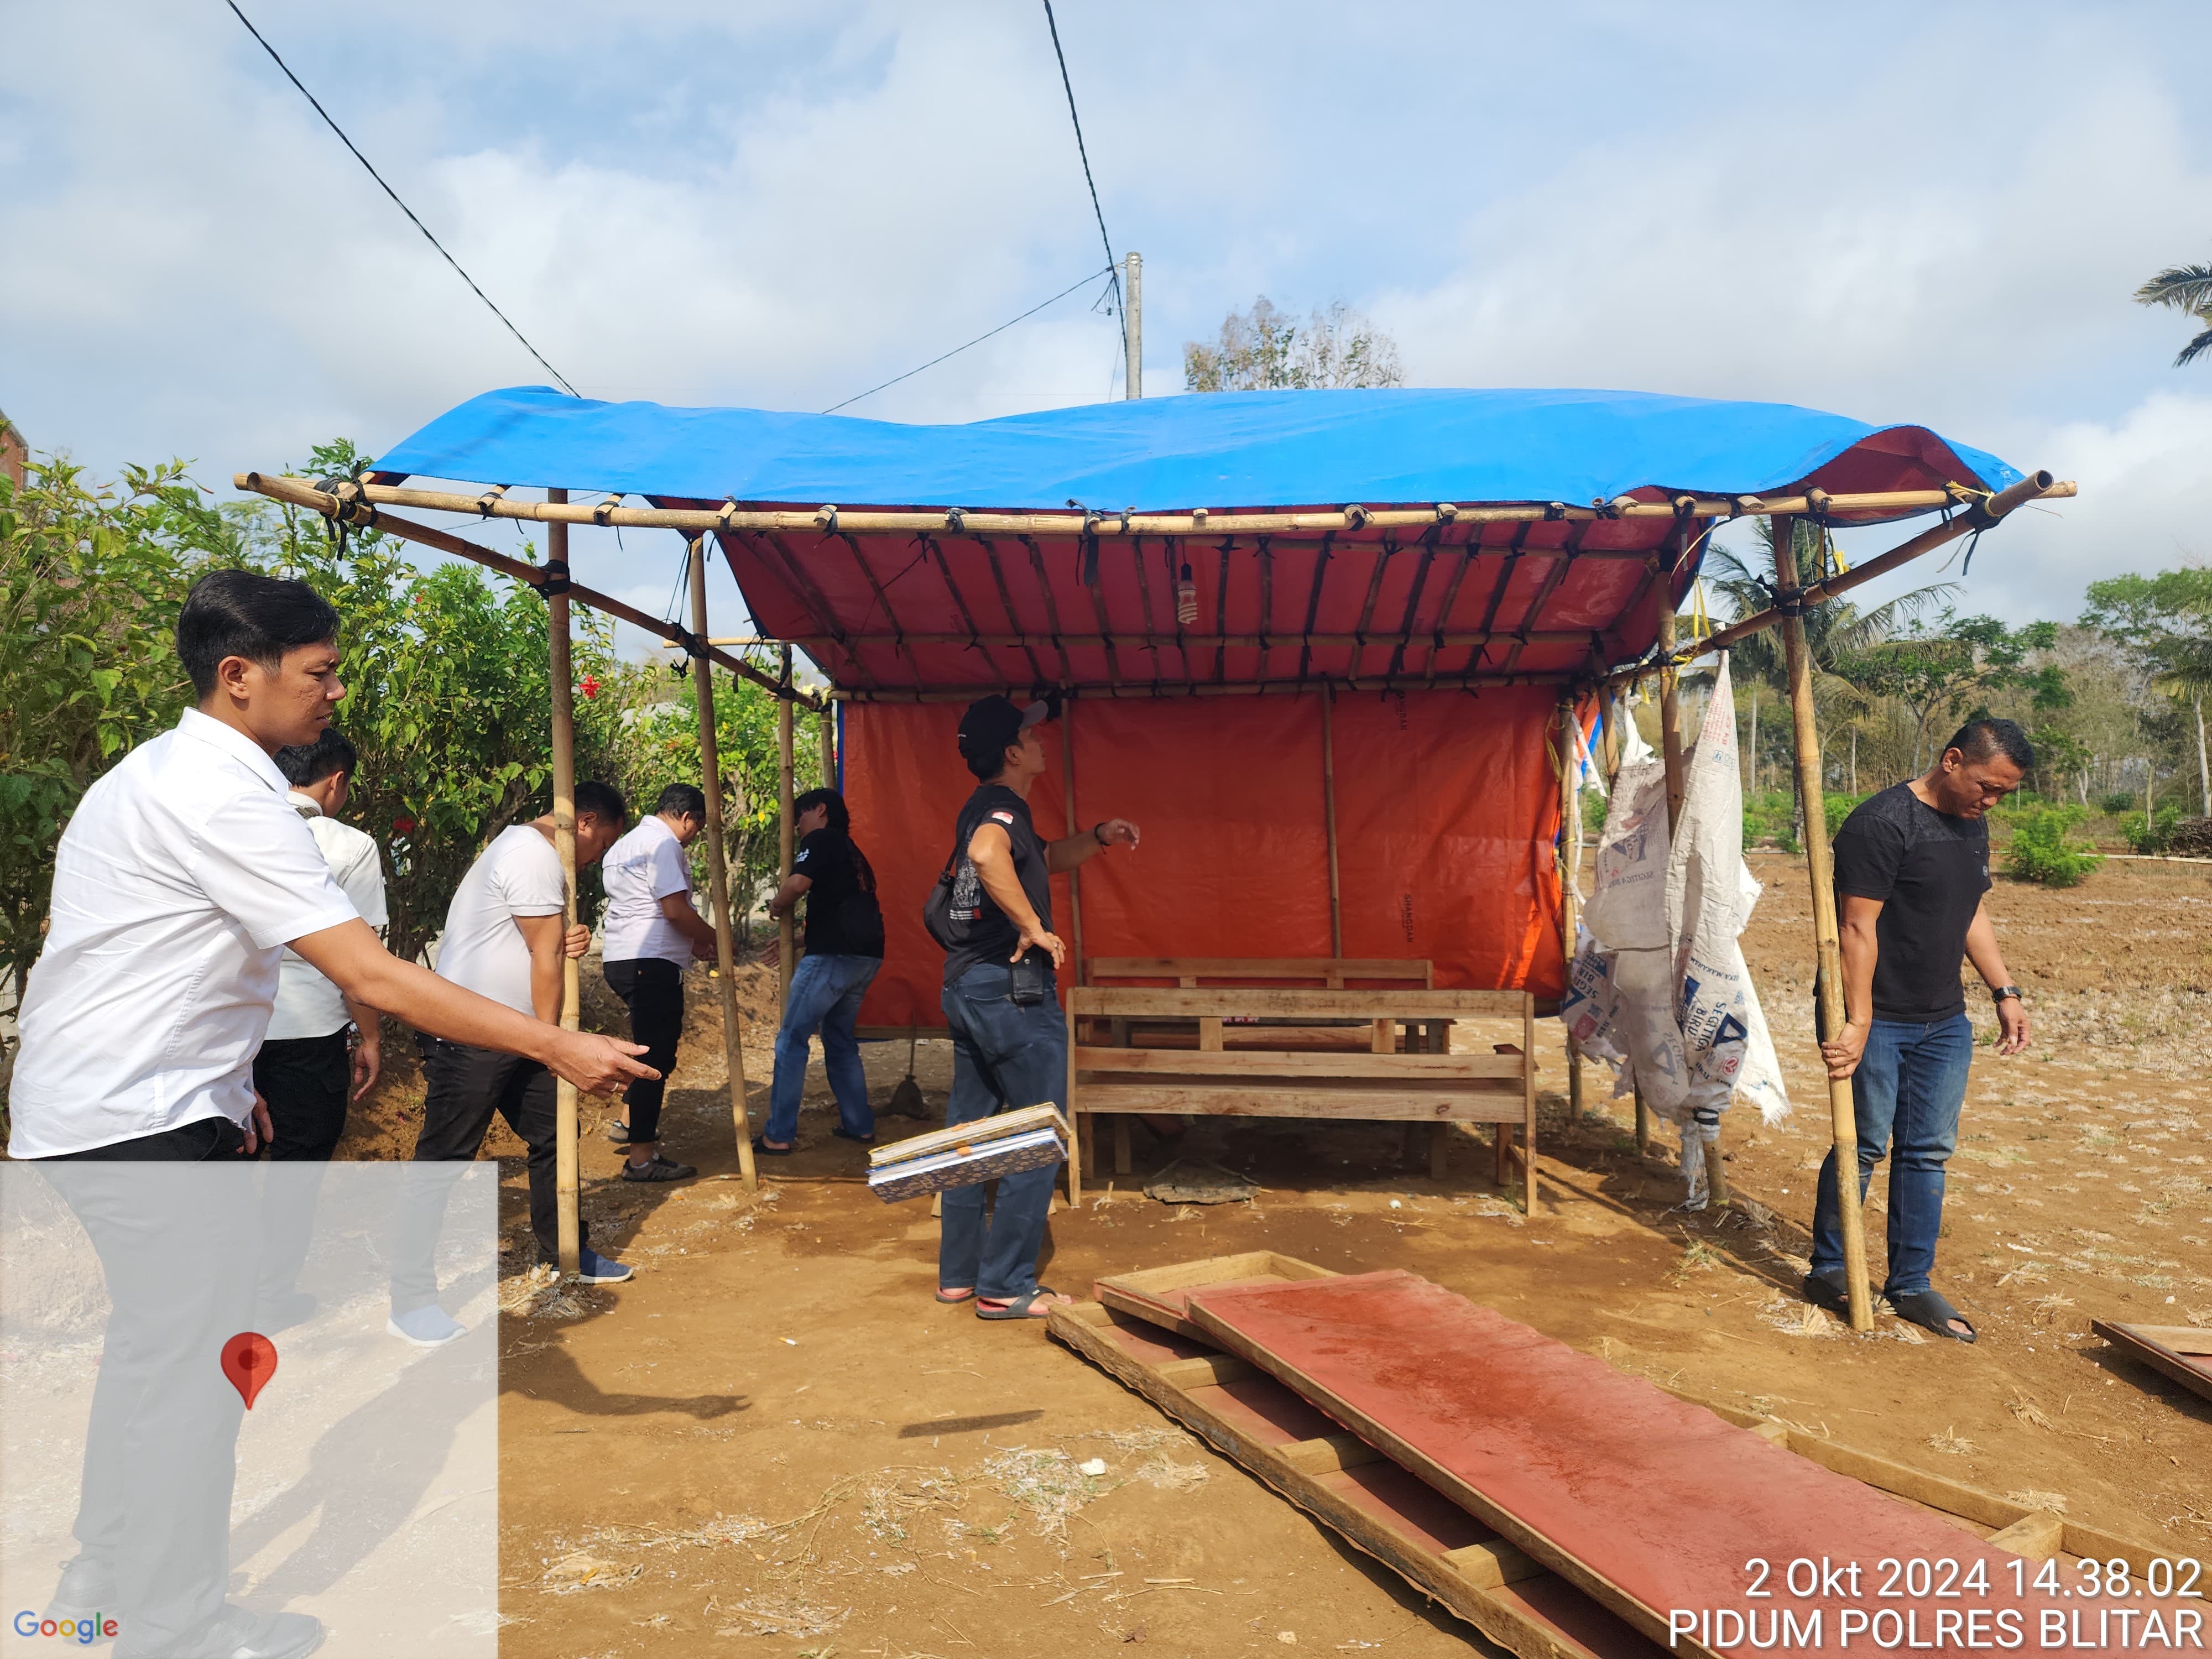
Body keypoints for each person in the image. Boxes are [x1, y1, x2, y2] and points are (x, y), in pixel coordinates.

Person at [9, 569, 651, 1659]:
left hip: (111, 1105)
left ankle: (103, 1577)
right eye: (320, 673)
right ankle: (172, 1627)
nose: (335, 693)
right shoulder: (227, 796)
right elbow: (377, 976)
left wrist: (230, 1083)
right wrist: (557, 1043)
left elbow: (144, 959)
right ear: (238, 676)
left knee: (156, 1357)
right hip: (137, 1119)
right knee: (199, 1375)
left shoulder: (151, 773)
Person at [1806, 718, 2034, 1344]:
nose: (1989, 802)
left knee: (1927, 1152)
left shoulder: (1970, 824)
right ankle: (1830, 1269)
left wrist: (2003, 990)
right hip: (1875, 1018)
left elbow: (1969, 911)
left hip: (1941, 1021)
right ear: (1952, 760)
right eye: (1986, 787)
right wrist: (1857, 1020)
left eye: (2002, 795)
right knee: (1863, 1146)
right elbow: (1856, 929)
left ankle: (1910, 1283)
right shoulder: (1880, 823)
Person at [401, 780, 634, 1326]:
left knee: (554, 1135)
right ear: (586, 822)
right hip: (475, 1032)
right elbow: (544, 959)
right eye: (602, 843)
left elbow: (538, 943)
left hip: (517, 1029)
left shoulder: (522, 851)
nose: (598, 856)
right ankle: (410, 1298)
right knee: (444, 1160)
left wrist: (557, 943)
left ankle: (564, 1252)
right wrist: (553, 1045)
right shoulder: (534, 854)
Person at [934, 695, 1137, 1319]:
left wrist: (1098, 839)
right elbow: (988, 857)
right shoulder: (1000, 810)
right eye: (1031, 732)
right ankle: (1005, 1286)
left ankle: (960, 1275)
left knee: (970, 1135)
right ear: (1012, 751)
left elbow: (1039, 859)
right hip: (1011, 992)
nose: (1041, 740)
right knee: (1036, 1132)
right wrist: (1032, 928)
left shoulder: (985, 810)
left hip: (969, 987)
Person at [258, 726, 387, 1161]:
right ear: (336, 781)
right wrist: (369, 1038)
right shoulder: (352, 846)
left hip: (232, 1031)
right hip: (310, 1034)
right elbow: (362, 963)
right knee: (298, 1168)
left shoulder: (241, 829)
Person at [597, 782, 717, 1181]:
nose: (693, 836)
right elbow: (674, 910)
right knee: (655, 1062)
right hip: (651, 962)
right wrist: (714, 938)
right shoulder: (664, 845)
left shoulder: (624, 846)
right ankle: (642, 1160)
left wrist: (694, 942)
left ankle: (630, 1123)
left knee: (653, 1052)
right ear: (688, 818)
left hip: (623, 959)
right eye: (696, 828)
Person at [757, 787, 885, 1155]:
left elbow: (797, 885)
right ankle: (859, 1125)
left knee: (792, 1040)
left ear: (821, 810)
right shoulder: (851, 850)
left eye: (801, 815)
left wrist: (777, 905)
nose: (797, 824)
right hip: (865, 958)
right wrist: (800, 940)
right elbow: (844, 908)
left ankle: (778, 1135)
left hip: (833, 959)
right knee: (840, 1040)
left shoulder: (822, 839)